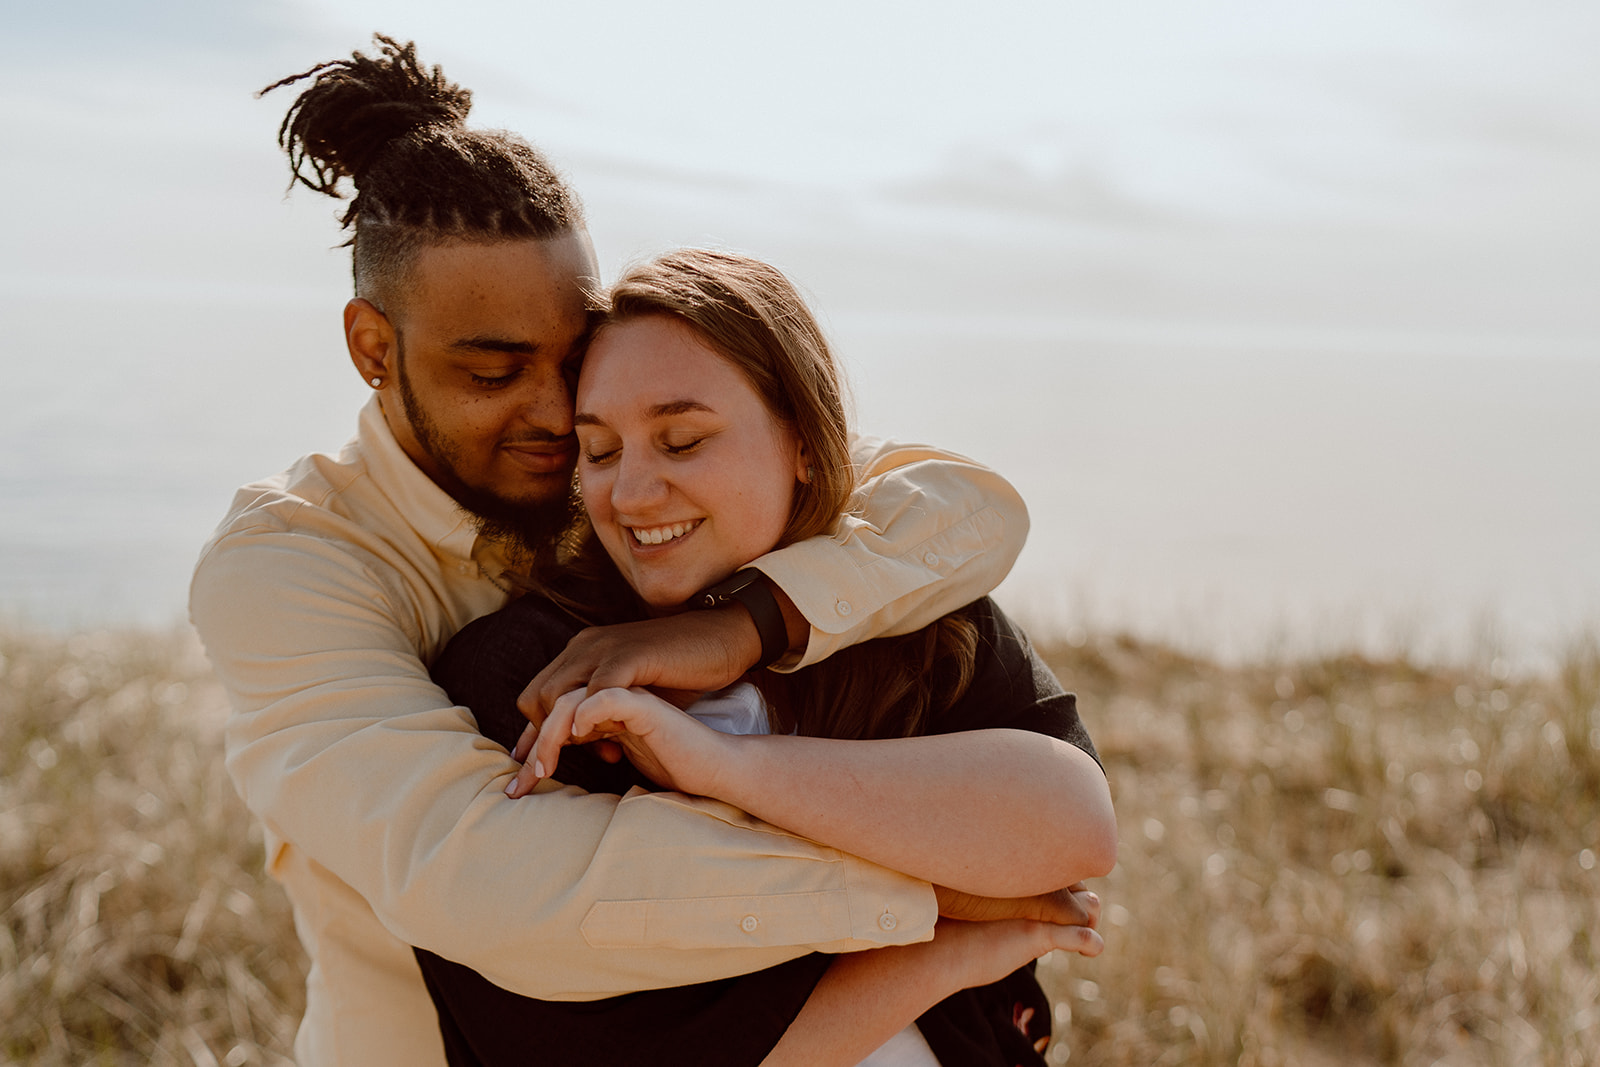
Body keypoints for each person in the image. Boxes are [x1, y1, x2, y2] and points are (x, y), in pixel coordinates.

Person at [188, 36, 1092, 1067]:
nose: (553, 416)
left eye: (572, 365)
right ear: (373, 348)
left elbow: (953, 501)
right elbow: (495, 880)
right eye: (493, 372)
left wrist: (748, 620)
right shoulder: (289, 563)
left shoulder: (616, 478)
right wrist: (946, 885)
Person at [412, 249, 1117, 1067]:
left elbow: (1076, 826)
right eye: (600, 451)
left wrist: (720, 766)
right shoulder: (531, 678)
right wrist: (953, 937)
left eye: (681, 441)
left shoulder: (911, 622)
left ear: (803, 445)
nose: (631, 494)